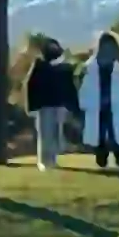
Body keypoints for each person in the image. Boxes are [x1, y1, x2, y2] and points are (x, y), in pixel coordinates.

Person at [80, 32, 119, 169]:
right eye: (105, 46)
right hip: (97, 106)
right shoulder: (89, 67)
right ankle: (102, 160)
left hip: (117, 106)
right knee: (99, 136)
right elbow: (84, 87)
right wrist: (83, 104)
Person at [25, 38, 77, 169]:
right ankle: (43, 162)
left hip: (60, 105)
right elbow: (30, 85)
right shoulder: (39, 65)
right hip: (44, 106)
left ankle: (52, 160)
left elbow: (70, 87)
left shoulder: (65, 67)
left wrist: (72, 105)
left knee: (56, 134)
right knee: (45, 133)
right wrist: (31, 106)